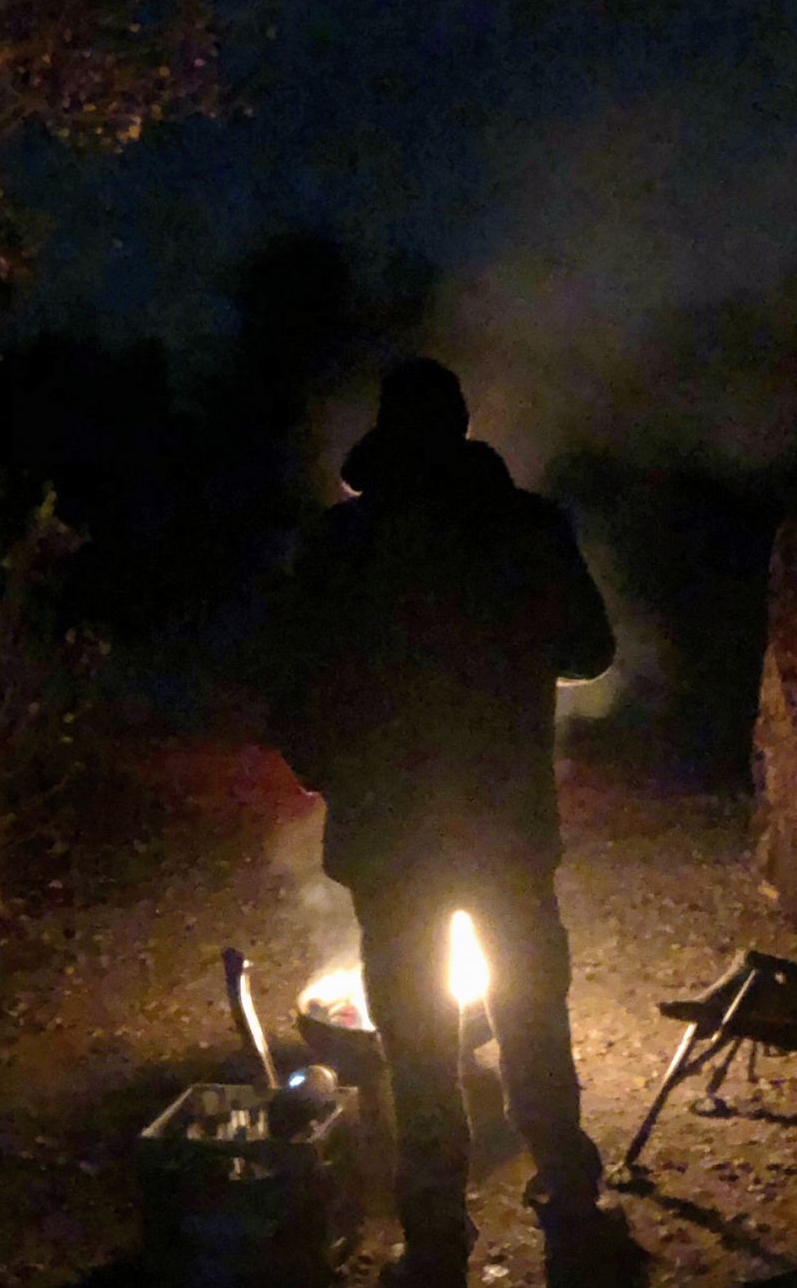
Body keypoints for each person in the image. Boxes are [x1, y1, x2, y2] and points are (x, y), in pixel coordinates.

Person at [268, 359, 627, 1287]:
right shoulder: (530, 529)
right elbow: (590, 651)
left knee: (421, 1040)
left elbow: (290, 682)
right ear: (465, 434)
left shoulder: (342, 540)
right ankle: (568, 1195)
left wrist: (328, 770)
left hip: (390, 838)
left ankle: (435, 1239)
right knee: (531, 1015)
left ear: (386, 442)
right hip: (505, 826)